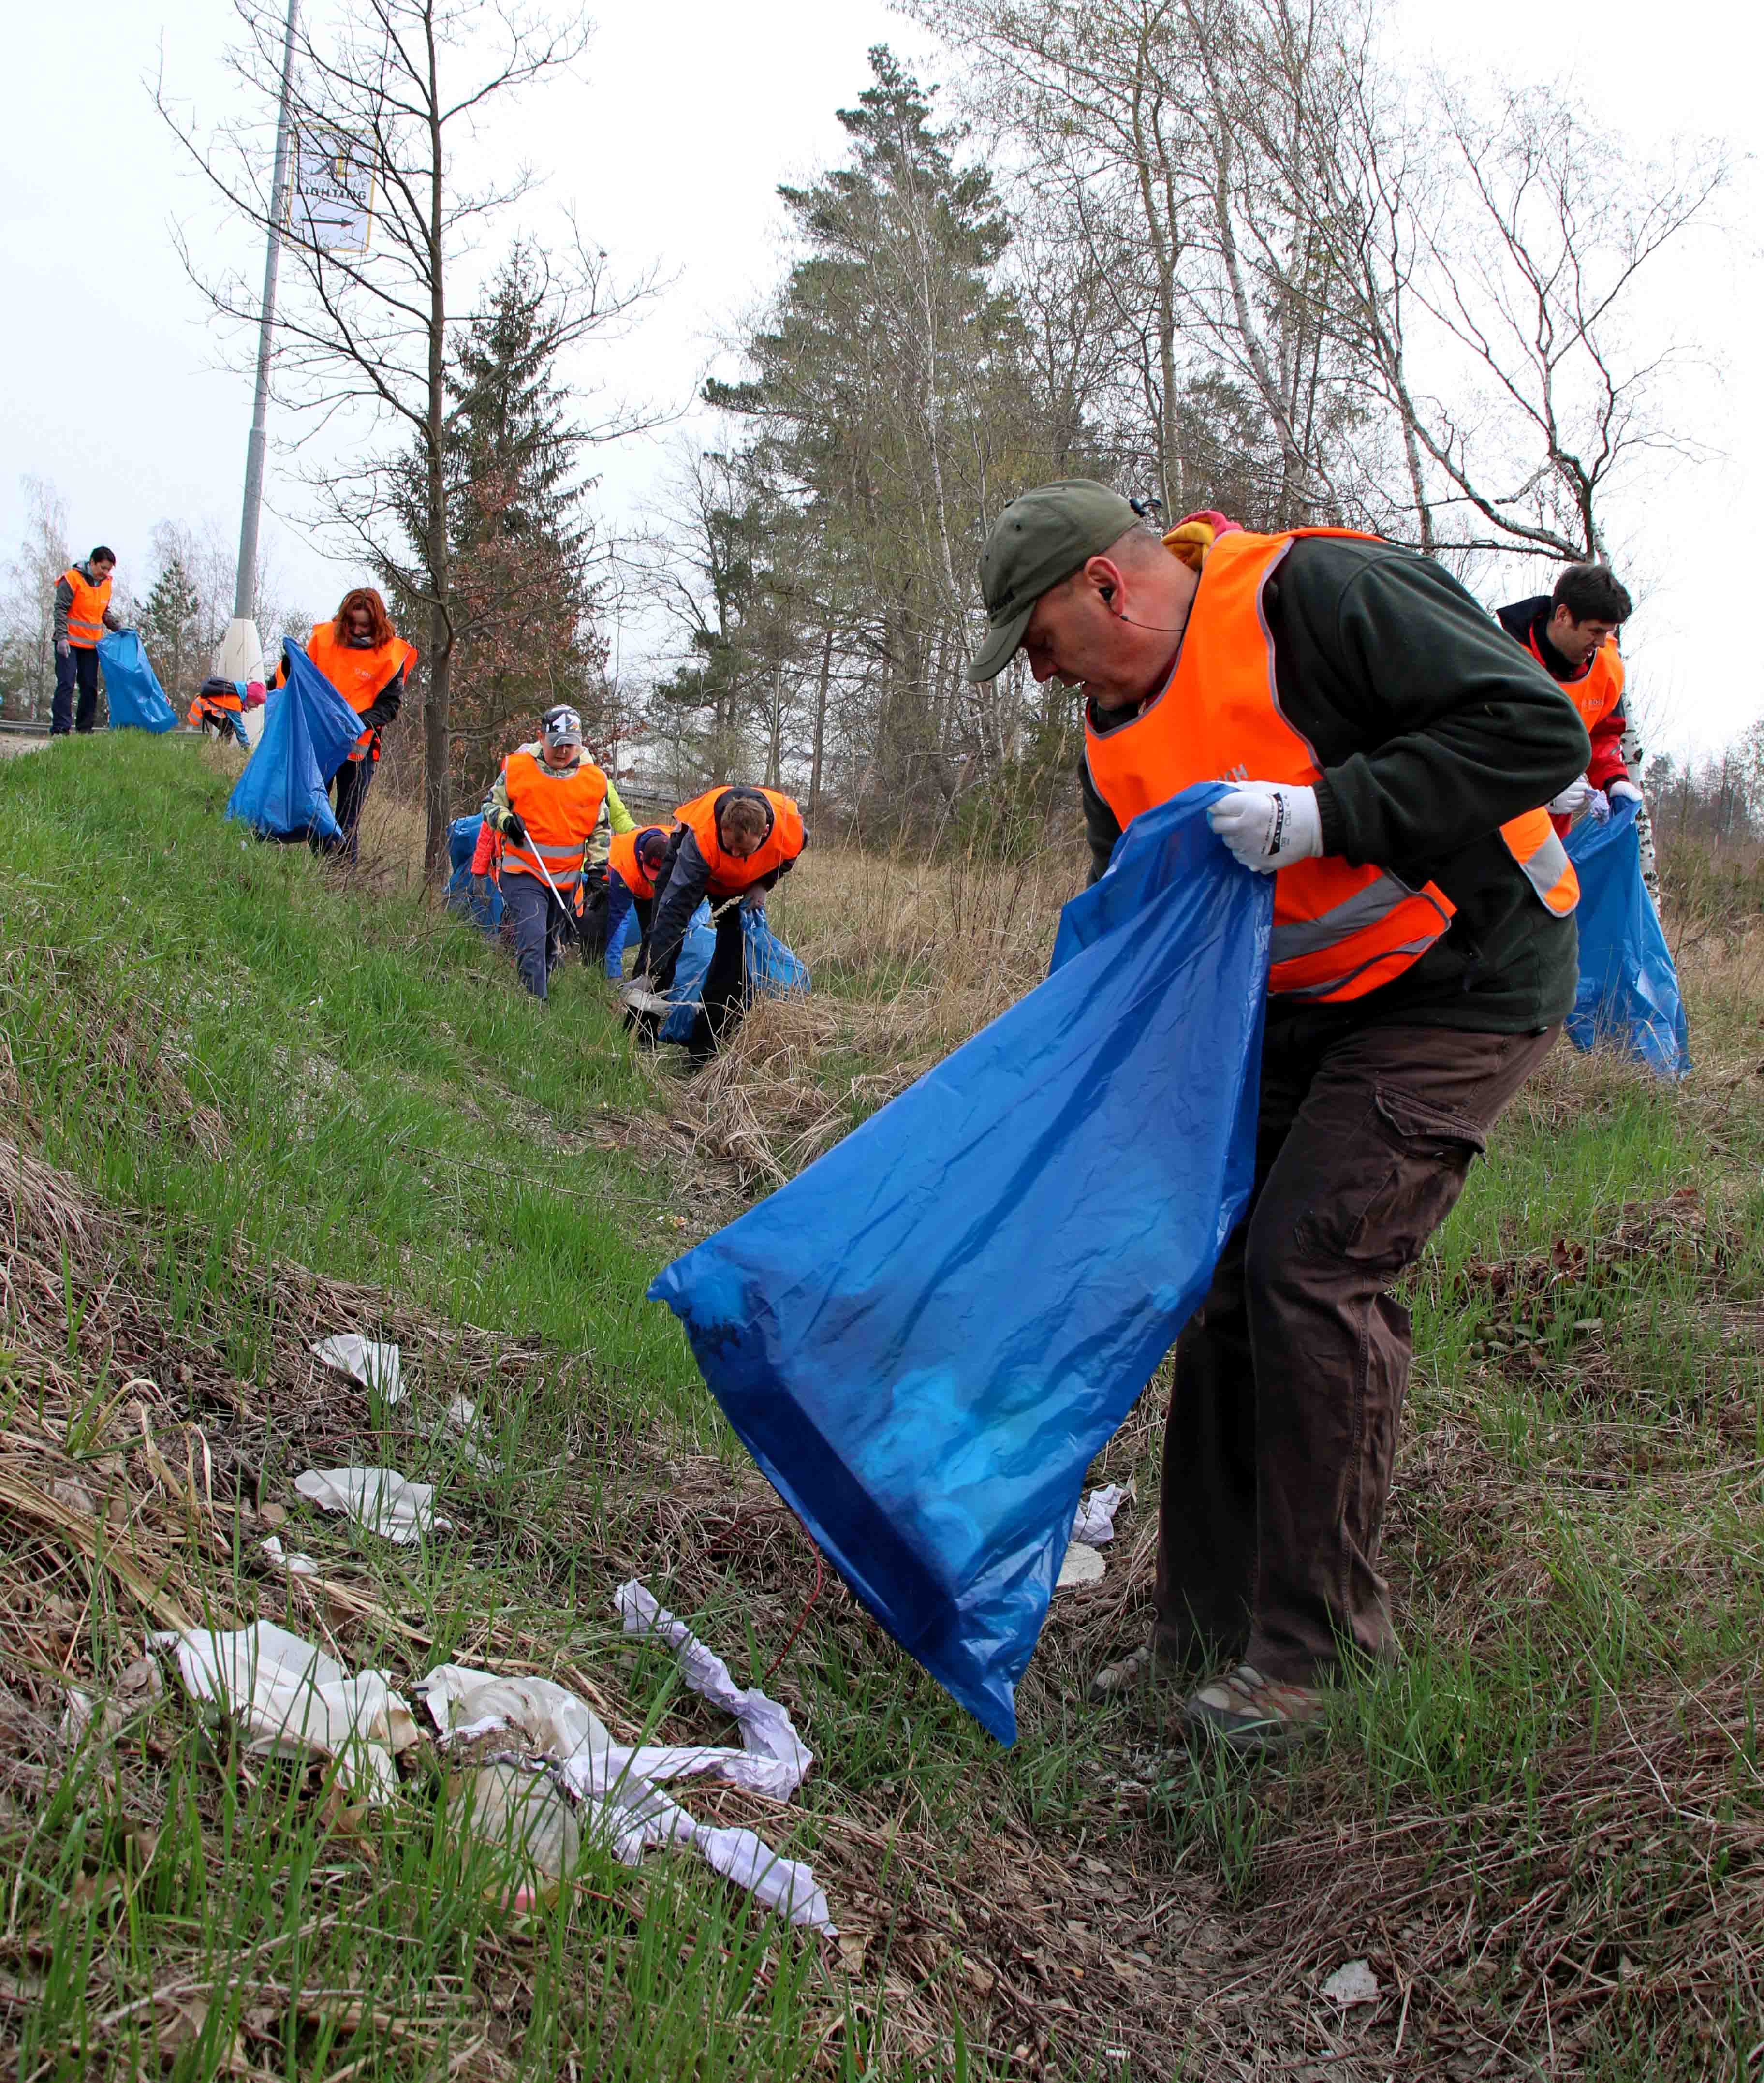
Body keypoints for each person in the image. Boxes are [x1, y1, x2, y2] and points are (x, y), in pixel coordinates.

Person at [968, 481, 1589, 1749]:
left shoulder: (1319, 595)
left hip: (1464, 977)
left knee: (1313, 1263)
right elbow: (1142, 918)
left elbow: (1536, 730)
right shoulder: (1108, 735)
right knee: (1222, 1280)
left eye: (1037, 641)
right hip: (1298, 1012)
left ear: (1108, 585)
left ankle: (1320, 1659)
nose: (1038, 676)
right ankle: (1198, 1640)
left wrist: (1329, 812)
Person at [632, 785, 806, 1060]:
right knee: (664, 940)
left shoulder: (789, 826)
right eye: (730, 846)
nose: (735, 855)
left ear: (764, 832)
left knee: (733, 963)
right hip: (694, 869)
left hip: (743, 886)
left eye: (743, 849)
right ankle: (639, 1038)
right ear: (722, 827)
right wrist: (654, 965)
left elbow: (793, 853)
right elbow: (674, 913)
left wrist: (763, 884)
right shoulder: (701, 840)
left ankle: (703, 1050)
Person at [1496, 563, 1641, 834]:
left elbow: (1601, 735)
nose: (1601, 643)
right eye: (1595, 631)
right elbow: (1479, 749)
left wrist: (1615, 781)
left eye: (1608, 633)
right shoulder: (1501, 659)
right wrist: (1538, 792)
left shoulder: (1607, 669)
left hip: (1552, 834)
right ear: (1563, 615)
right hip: (1491, 827)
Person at [273, 588, 415, 859]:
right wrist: (290, 662)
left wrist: (356, 724)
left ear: (378, 623)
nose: (359, 630)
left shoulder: (390, 655)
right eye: (353, 623)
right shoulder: (324, 639)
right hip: (320, 744)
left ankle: (341, 876)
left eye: (365, 625)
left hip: (359, 750)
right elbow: (298, 677)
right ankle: (321, 871)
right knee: (317, 811)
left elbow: (390, 706)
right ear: (344, 619)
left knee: (348, 820)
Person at [481, 705, 611, 1000]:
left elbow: (600, 828)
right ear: (541, 738)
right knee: (533, 939)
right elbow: (490, 806)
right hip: (523, 871)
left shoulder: (593, 781)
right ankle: (535, 1007)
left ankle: (533, 993)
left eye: (570, 745)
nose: (564, 752)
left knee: (550, 947)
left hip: (565, 881)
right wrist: (506, 821)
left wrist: (597, 871)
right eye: (557, 745)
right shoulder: (518, 769)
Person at [52, 546, 126, 735]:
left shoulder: (107, 583)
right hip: (68, 643)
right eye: (102, 568)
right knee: (66, 684)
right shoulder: (72, 579)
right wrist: (61, 638)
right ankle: (60, 729)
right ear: (92, 562)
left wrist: (118, 627)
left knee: (90, 687)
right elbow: (60, 609)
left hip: (91, 646)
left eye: (109, 569)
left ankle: (85, 730)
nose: (105, 573)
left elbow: (103, 612)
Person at [603, 824, 671, 980]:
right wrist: (614, 976)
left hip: (652, 892)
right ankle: (611, 972)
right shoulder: (623, 866)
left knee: (655, 930)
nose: (654, 880)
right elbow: (618, 924)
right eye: (652, 874)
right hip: (624, 879)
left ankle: (648, 976)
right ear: (641, 856)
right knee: (614, 923)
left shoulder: (678, 847)